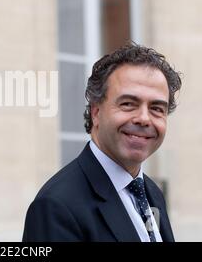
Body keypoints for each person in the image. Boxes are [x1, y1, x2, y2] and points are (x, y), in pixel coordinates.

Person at [23, 43, 182, 242]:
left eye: (157, 108)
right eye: (128, 104)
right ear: (96, 112)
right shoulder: (56, 206)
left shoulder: (152, 193)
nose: (144, 118)